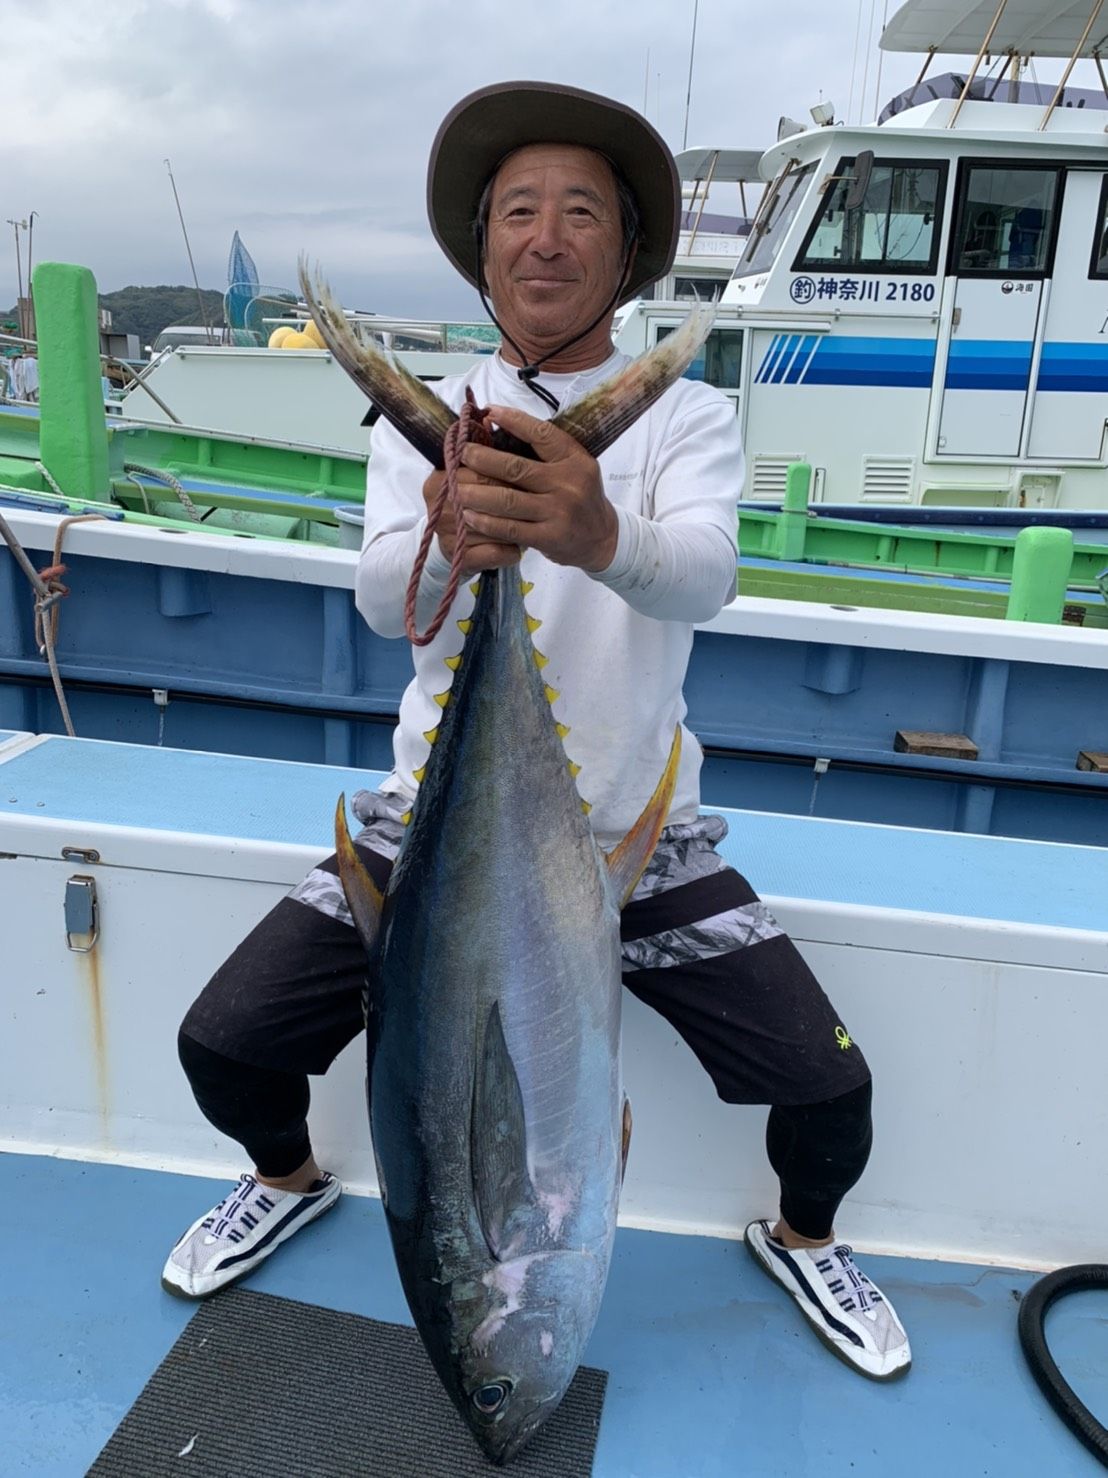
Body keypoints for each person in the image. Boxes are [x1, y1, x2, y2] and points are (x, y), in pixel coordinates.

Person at [164, 81, 911, 1383]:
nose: (546, 238)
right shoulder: (431, 421)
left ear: (628, 250)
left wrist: (593, 528)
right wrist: (450, 531)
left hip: (639, 837)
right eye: (518, 212)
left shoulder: (687, 417)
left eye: (580, 213)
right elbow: (386, 600)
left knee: (828, 1086)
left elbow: (705, 575)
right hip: (429, 832)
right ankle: (285, 1178)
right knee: (222, 1042)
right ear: (484, 244)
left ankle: (804, 1235)